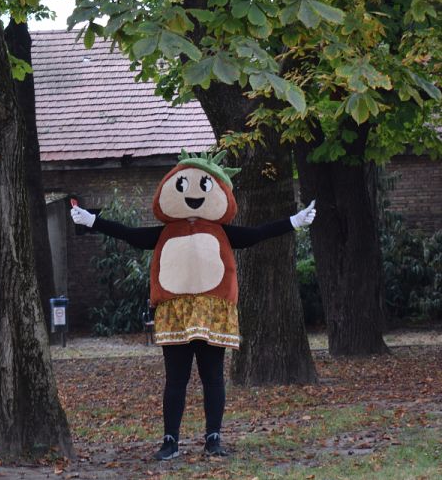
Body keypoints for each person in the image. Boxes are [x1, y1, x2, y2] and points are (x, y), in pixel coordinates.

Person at [70, 149, 316, 460]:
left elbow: (255, 234)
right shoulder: (164, 234)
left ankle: (213, 437)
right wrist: (93, 220)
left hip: (213, 310)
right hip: (174, 312)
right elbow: (131, 235)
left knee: (212, 375)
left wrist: (294, 221)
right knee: (176, 378)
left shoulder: (223, 233)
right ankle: (170, 440)